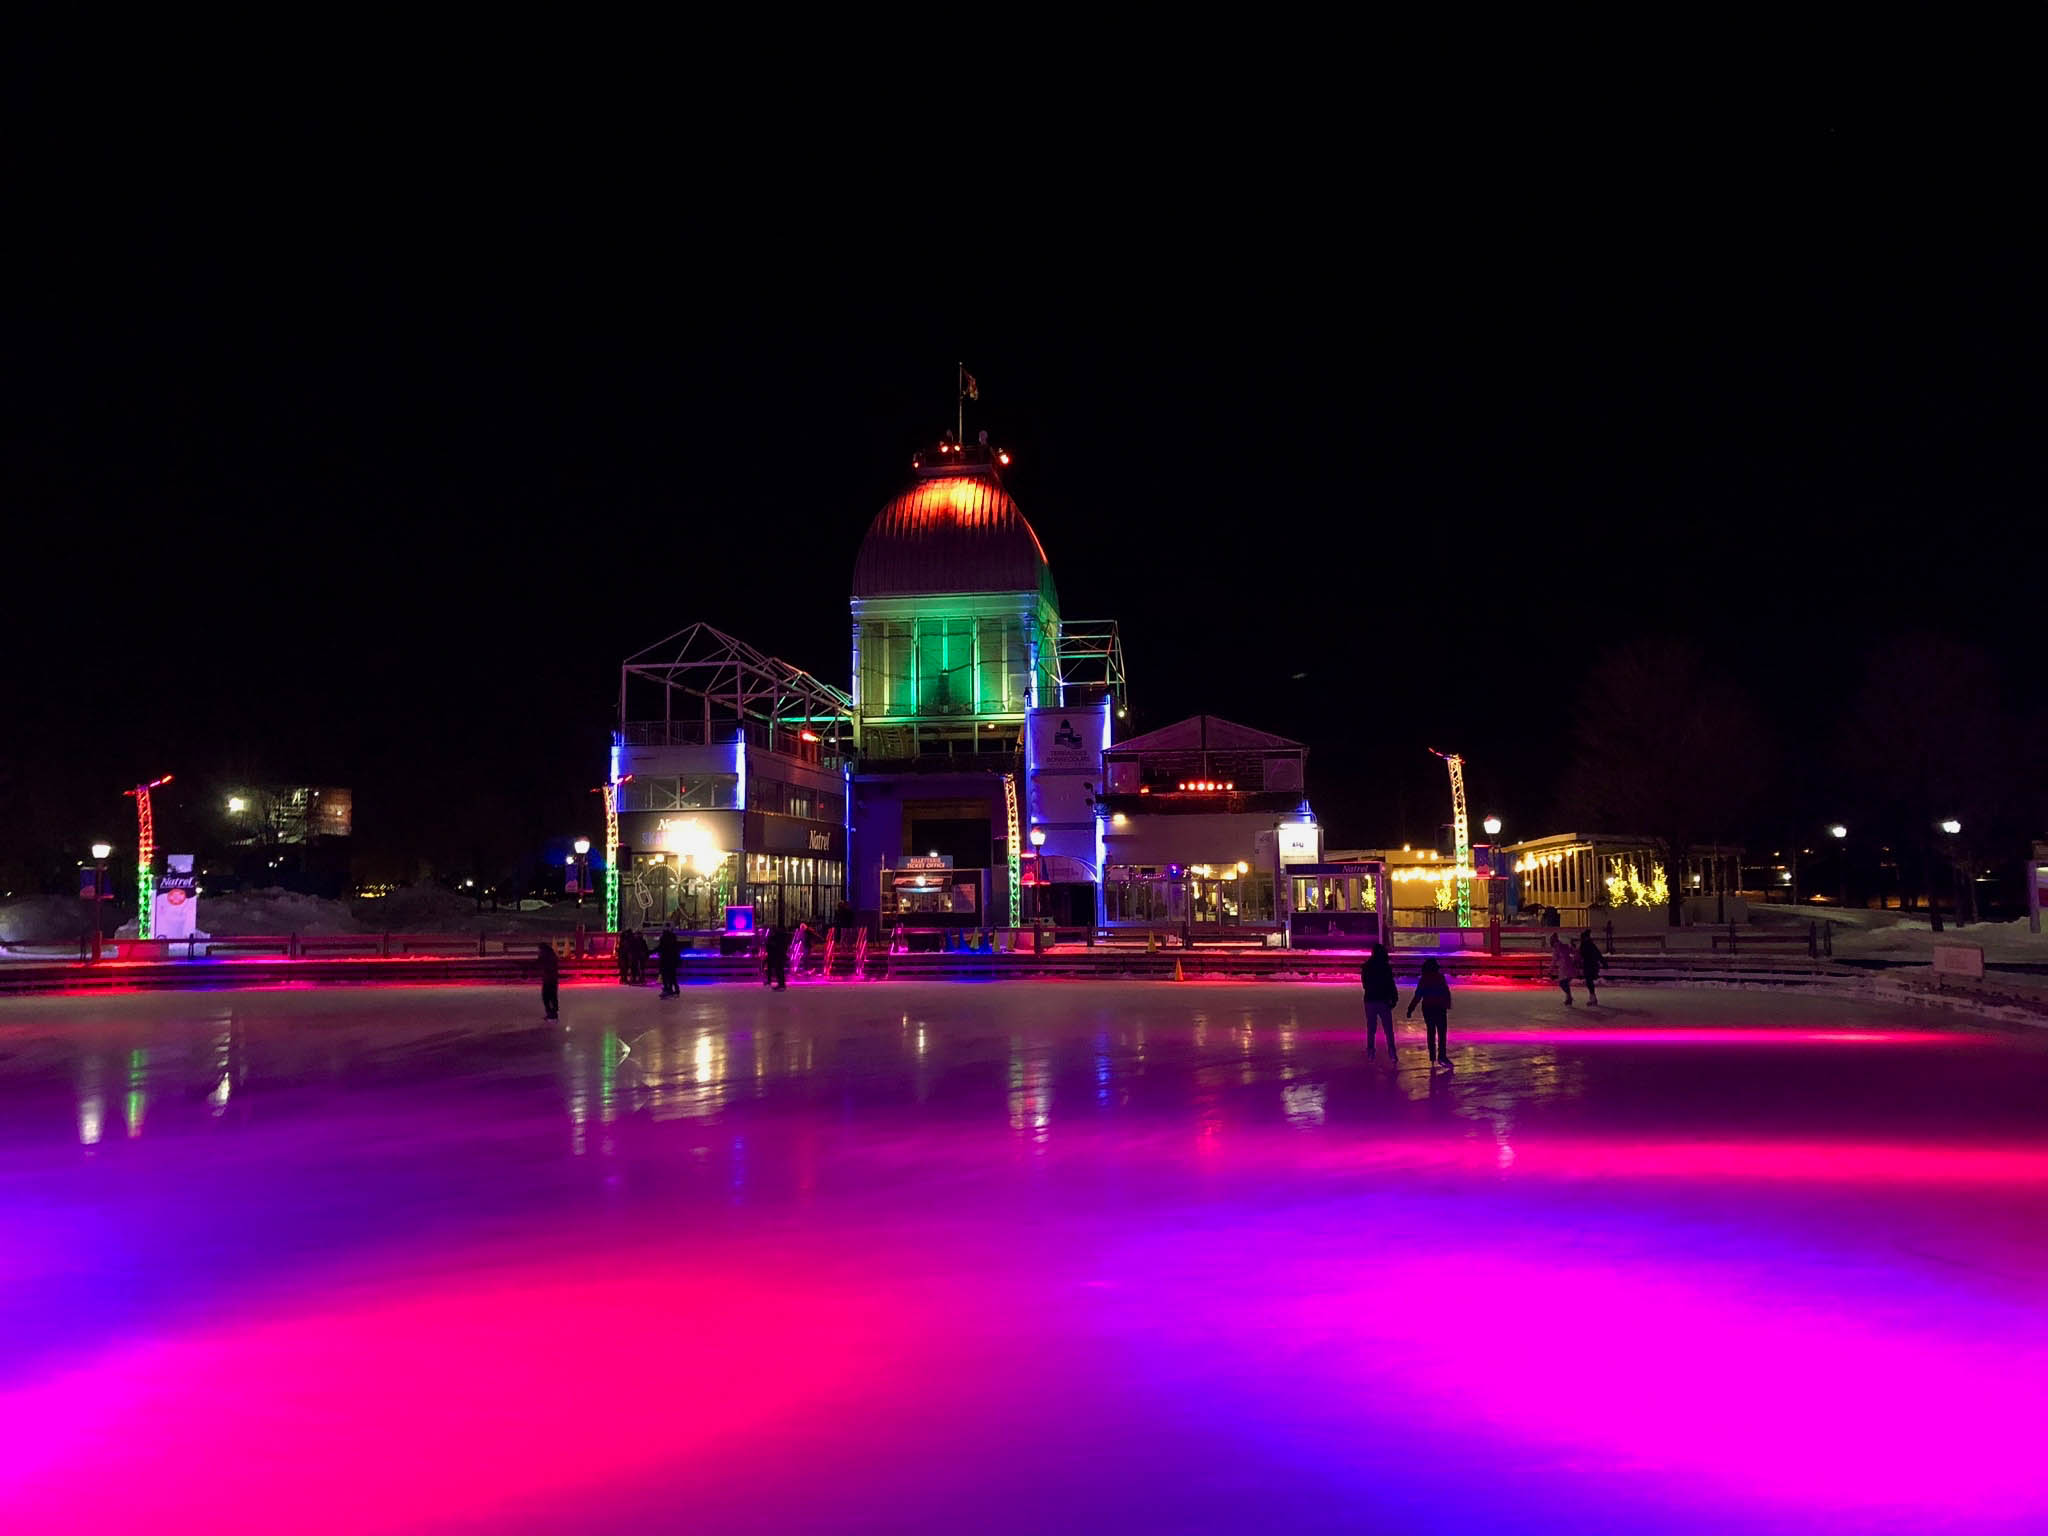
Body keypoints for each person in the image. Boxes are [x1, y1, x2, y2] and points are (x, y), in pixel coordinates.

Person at [1407, 956, 1453, 1070]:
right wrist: (1447, 1003)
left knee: (1431, 1031)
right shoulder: (1440, 978)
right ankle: (1441, 1055)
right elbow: (1446, 992)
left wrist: (1411, 1008)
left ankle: (1432, 1054)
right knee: (1441, 1032)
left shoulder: (1424, 979)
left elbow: (1418, 995)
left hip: (1428, 1008)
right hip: (1439, 1008)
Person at [1360, 942, 1399, 1061]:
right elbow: (1390, 984)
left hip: (1370, 1000)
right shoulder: (1385, 966)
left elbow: (1365, 984)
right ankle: (1392, 1052)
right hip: (1383, 1000)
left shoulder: (1367, 966)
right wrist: (1394, 997)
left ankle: (1371, 1051)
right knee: (1388, 1028)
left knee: (1371, 1028)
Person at [1577, 928, 1603, 1005]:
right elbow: (1597, 953)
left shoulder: (1585, 944)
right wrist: (1602, 962)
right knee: (1589, 981)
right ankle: (1593, 997)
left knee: (1589, 981)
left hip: (1588, 965)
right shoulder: (1590, 944)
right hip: (1592, 964)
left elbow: (1581, 954)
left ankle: (1593, 997)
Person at [1551, 931, 1578, 1005]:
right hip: (1570, 967)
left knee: (1562, 983)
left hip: (1564, 968)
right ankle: (1568, 998)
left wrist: (1550, 970)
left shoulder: (1556, 948)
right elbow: (1575, 951)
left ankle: (1569, 997)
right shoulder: (1565, 946)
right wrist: (1574, 960)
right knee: (1565, 983)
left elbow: (1554, 960)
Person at [536, 941, 560, 1022]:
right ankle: (553, 1013)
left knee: (547, 997)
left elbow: (539, 963)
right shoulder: (551, 955)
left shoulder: (545, 956)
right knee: (552, 997)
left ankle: (552, 1014)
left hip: (549, 980)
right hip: (552, 979)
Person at [656, 926, 681, 998]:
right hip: (671, 962)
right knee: (671, 976)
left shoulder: (665, 943)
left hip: (666, 962)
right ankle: (673, 990)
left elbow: (660, 949)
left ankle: (668, 989)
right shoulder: (672, 942)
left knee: (667, 976)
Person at [762, 924, 789, 991]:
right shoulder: (780, 936)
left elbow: (774, 945)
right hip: (777, 955)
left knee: (779, 970)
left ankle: (781, 984)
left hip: (777, 955)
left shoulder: (777, 936)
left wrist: (769, 944)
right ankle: (781, 984)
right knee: (778, 970)